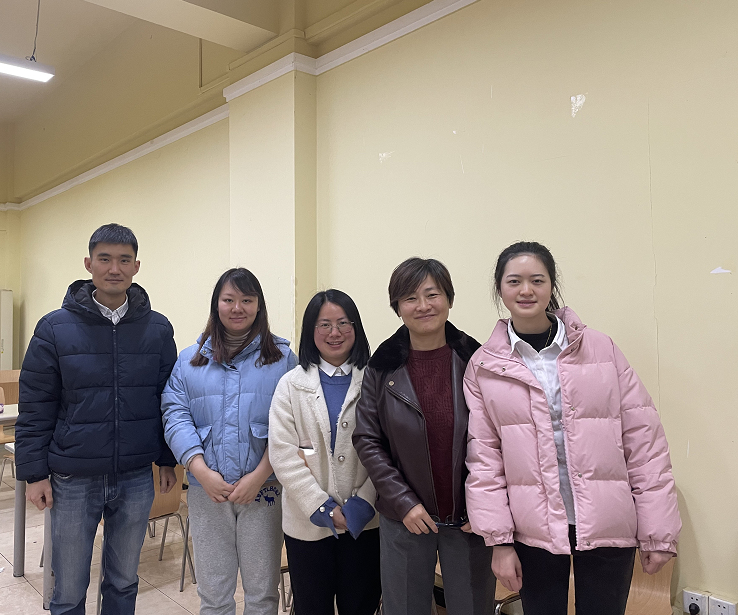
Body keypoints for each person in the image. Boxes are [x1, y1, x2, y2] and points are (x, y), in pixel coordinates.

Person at [463, 241, 681, 615]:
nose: (526, 290)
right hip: (533, 530)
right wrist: (499, 541)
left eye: (537, 280)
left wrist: (658, 531)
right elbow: (485, 460)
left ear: (552, 285)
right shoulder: (484, 366)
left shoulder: (601, 349)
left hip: (607, 522)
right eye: (514, 281)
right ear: (500, 289)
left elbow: (644, 441)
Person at [15, 223, 179, 615]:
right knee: (69, 588)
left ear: (136, 266)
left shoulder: (157, 329)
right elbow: (35, 404)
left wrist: (167, 459)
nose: (114, 269)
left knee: (123, 582)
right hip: (74, 477)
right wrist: (34, 473)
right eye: (105, 259)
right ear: (89, 264)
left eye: (124, 260)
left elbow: (168, 399)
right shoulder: (54, 328)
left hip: (136, 476)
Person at [353, 258, 496, 615]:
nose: (423, 306)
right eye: (410, 298)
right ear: (397, 307)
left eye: (432, 294)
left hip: (469, 518)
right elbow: (367, 439)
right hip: (405, 517)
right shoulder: (381, 367)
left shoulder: (479, 361)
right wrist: (403, 502)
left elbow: (499, 437)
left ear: (449, 299)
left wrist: (484, 503)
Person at [161, 267, 297, 615]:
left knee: (262, 592)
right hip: (207, 491)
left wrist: (259, 475)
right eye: (229, 300)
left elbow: (292, 425)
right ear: (216, 304)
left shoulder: (283, 359)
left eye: (247, 300)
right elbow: (175, 415)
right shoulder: (189, 360)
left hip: (265, 489)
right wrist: (200, 471)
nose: (238, 308)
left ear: (259, 305)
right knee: (214, 594)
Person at [269, 290, 381, 615]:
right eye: (324, 324)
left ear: (356, 327)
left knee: (360, 606)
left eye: (343, 323)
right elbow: (283, 455)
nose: (335, 332)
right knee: (311, 607)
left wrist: (365, 501)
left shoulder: (377, 381)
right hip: (307, 526)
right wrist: (322, 507)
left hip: (367, 524)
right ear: (310, 330)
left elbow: (388, 451)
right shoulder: (290, 385)